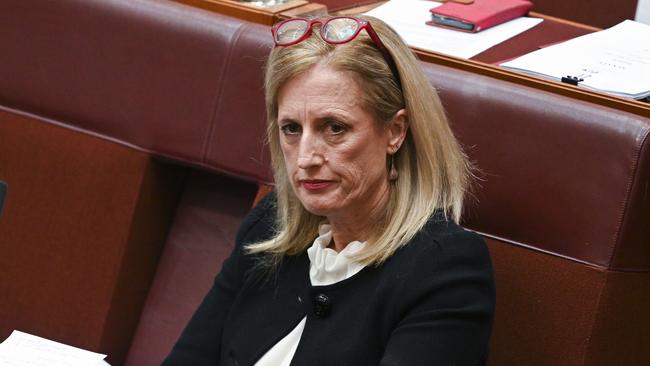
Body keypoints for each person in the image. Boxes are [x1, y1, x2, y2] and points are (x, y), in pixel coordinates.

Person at [163, 15, 494, 366]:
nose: (306, 157)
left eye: (334, 128)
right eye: (291, 128)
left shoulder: (445, 269)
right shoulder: (272, 224)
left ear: (395, 131)